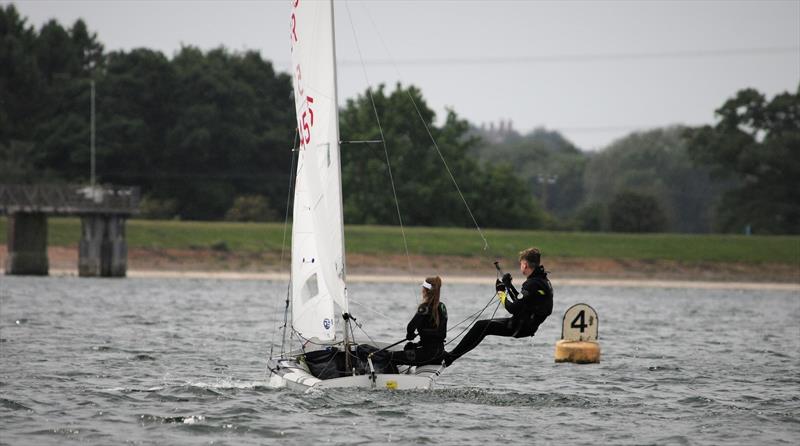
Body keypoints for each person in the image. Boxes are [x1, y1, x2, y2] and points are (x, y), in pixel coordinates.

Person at [445, 247, 553, 366]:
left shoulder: (532, 284)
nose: (521, 266)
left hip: (520, 326)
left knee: (481, 326)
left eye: (521, 264)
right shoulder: (542, 280)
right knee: (482, 325)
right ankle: (451, 356)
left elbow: (512, 308)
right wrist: (509, 286)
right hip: (527, 325)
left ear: (525, 265)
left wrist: (501, 293)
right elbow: (522, 302)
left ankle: (450, 357)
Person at [389, 276, 448, 366]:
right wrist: (417, 343)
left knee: (389, 357)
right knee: (410, 347)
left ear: (425, 290)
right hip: (439, 353)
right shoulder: (442, 306)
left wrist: (410, 335)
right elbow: (441, 333)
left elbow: (410, 327)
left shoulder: (424, 307)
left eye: (423, 288)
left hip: (428, 355)